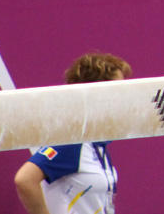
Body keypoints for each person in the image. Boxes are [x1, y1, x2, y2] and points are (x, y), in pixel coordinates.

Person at [14, 52, 131, 214]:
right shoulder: (73, 142)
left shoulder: (98, 146)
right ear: (96, 93)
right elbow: (25, 179)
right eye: (119, 90)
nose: (125, 97)